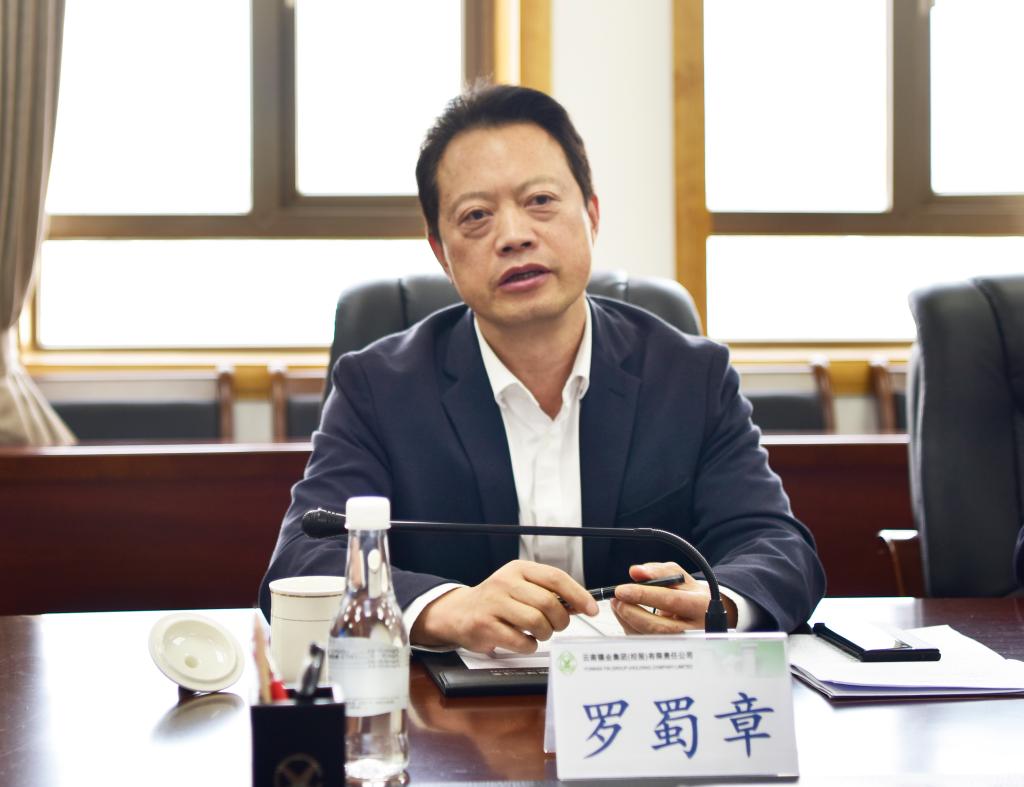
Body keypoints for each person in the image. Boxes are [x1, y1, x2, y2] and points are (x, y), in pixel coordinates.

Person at [259, 84, 825, 653]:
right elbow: (304, 561)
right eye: (476, 216)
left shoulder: (690, 375)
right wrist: (446, 608)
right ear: (440, 252)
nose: (514, 236)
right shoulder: (378, 388)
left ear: (592, 215)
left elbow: (776, 547)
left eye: (540, 201)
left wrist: (722, 606)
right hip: (453, 704)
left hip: (648, 696)